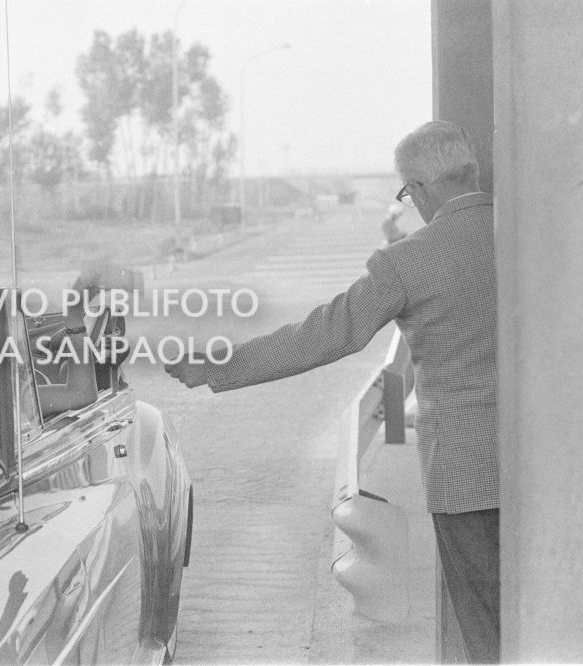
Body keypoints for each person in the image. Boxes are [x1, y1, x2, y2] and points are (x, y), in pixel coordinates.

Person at [164, 120, 499, 663]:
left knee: (487, 624)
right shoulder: (540, 234)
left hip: (465, 474)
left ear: (420, 186)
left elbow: (327, 334)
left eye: (407, 192)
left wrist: (220, 364)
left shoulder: (410, 259)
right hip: (553, 467)